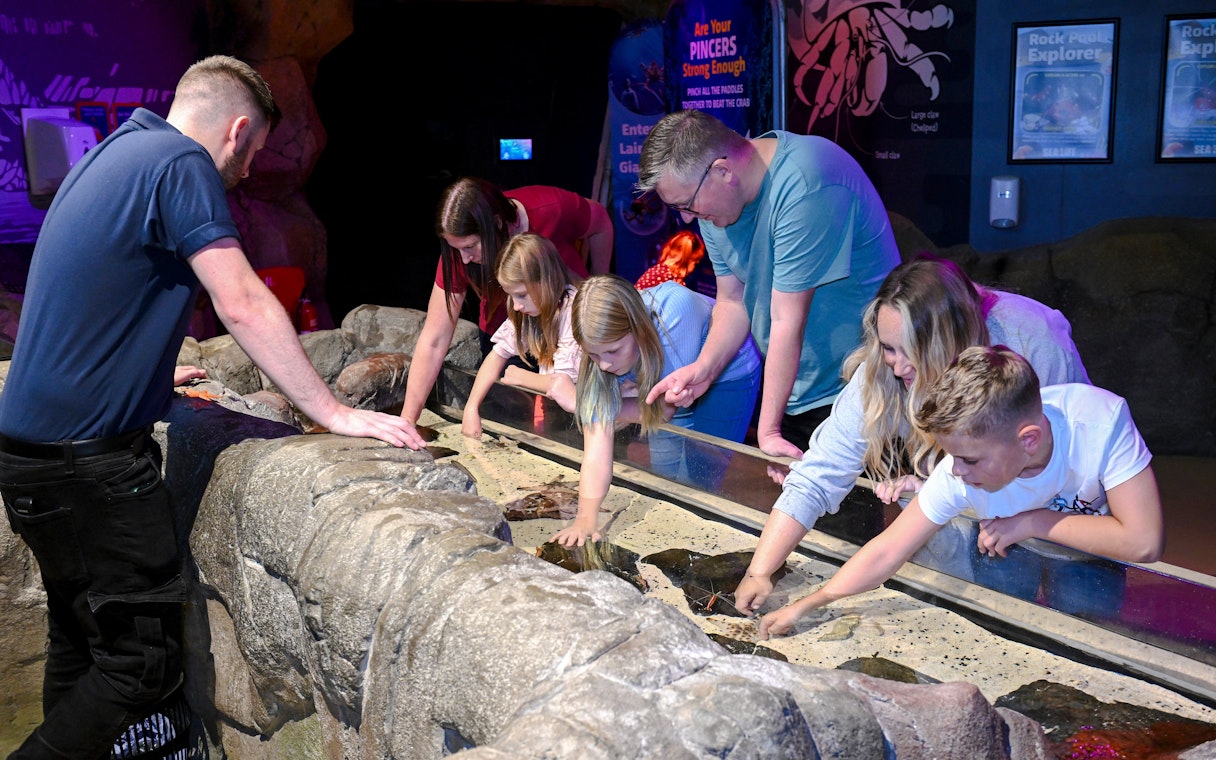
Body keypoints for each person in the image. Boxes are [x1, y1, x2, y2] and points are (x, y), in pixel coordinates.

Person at [0, 55, 424, 760]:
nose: (250, 171)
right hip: (88, 465)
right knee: (140, 668)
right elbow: (242, 299)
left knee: (81, 641)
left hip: (29, 458)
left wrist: (145, 372)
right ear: (235, 131)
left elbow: (92, 295)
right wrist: (333, 411)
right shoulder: (180, 163)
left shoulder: (112, 152)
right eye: (253, 152)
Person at [734, 253, 1092, 615]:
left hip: (1074, 514)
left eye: (915, 353)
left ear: (954, 344)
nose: (899, 366)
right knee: (996, 607)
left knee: (1080, 605)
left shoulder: (1035, 346)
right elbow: (819, 474)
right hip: (979, 516)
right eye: (889, 347)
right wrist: (760, 570)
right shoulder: (883, 371)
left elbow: (1069, 465)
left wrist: (940, 490)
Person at [757, 345, 1163, 638]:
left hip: (1089, 553)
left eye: (971, 459)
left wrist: (1031, 522)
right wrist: (810, 603)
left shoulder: (1100, 423)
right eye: (954, 458)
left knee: (1090, 637)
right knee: (1006, 629)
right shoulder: (957, 469)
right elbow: (886, 550)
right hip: (999, 544)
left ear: (1029, 440)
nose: (958, 472)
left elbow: (1144, 542)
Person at [636, 109, 901, 459]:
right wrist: (704, 368)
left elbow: (787, 319)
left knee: (867, 509)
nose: (686, 218)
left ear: (722, 171)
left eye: (687, 205)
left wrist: (769, 430)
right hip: (795, 391)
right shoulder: (714, 208)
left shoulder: (806, 182)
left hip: (863, 389)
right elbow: (732, 301)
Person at [551, 274, 761, 547]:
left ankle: (693, 541)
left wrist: (589, 405)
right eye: (593, 355)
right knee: (664, 477)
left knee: (699, 475)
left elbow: (662, 411)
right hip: (663, 384)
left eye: (613, 351)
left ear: (638, 329)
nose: (603, 365)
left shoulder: (675, 312)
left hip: (729, 373)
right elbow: (596, 449)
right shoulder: (601, 356)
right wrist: (586, 518)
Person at [401, 177, 613, 429]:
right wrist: (408, 420)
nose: (464, 259)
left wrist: (599, 292)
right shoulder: (462, 253)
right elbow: (434, 339)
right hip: (517, 333)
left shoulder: (549, 208)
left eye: (469, 246)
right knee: (515, 420)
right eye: (456, 248)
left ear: (498, 224)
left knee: (570, 424)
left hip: (571, 329)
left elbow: (600, 221)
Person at [462, 233, 582, 438]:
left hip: (588, 417)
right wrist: (471, 408)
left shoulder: (575, 311)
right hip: (557, 412)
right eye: (510, 295)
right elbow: (496, 356)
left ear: (546, 279)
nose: (516, 305)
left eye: (521, 295)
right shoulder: (530, 311)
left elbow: (566, 385)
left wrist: (523, 378)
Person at [635, 228, 706, 290]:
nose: (694, 267)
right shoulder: (674, 282)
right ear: (685, 260)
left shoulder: (655, 270)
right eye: (695, 261)